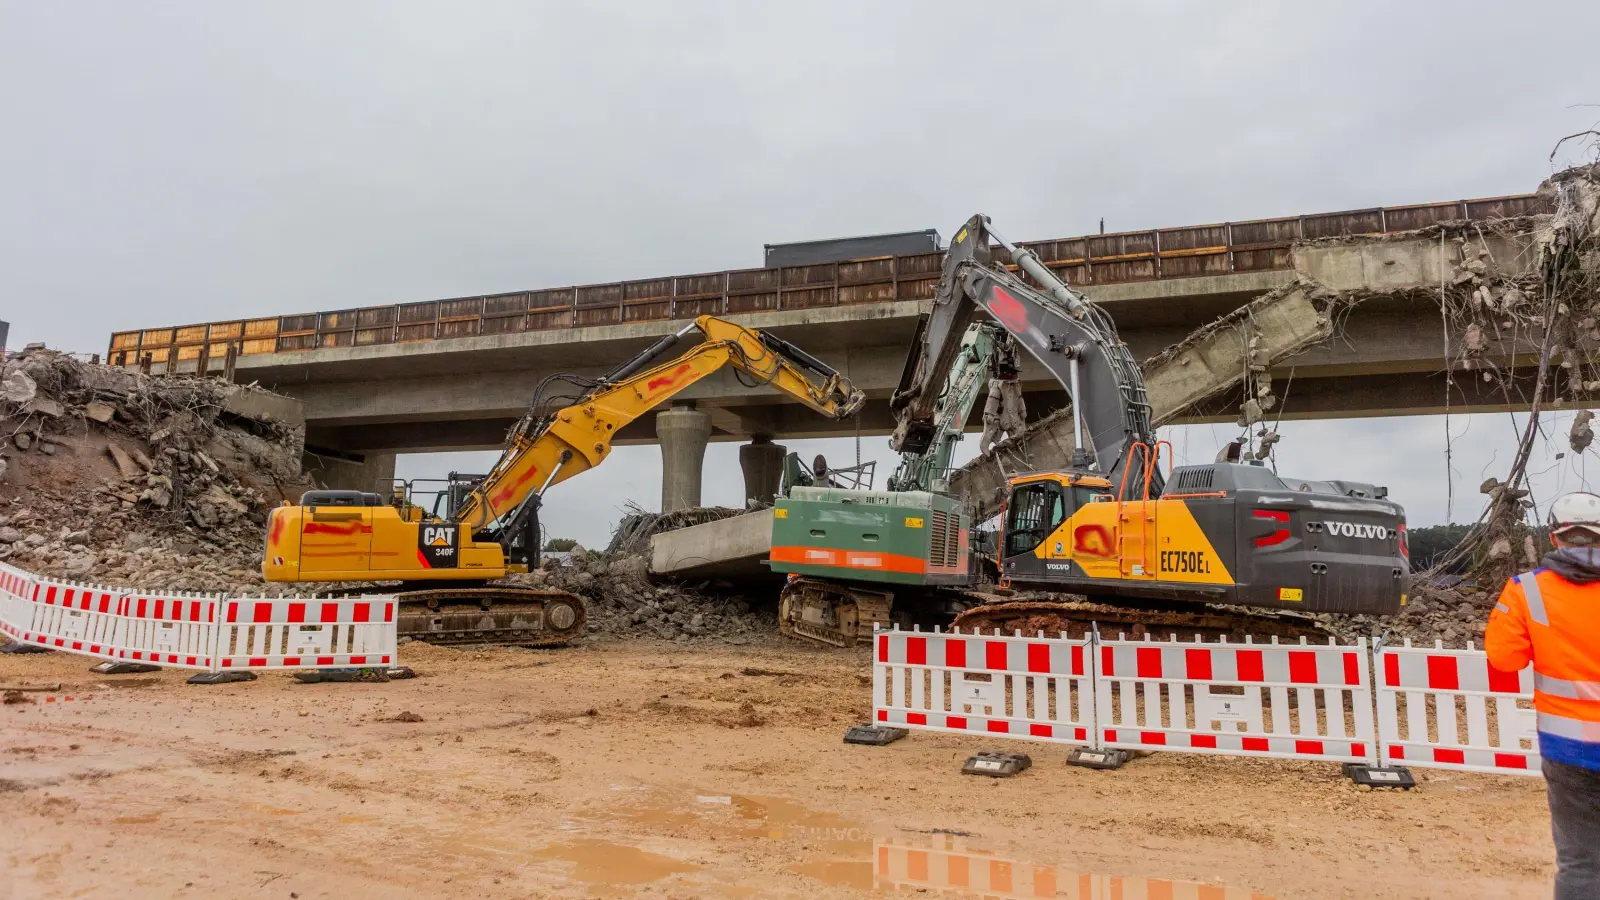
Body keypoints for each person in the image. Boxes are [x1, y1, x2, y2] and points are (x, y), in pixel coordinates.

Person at [1487, 491, 1600, 899]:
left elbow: (1504, 659)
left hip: (1568, 747)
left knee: (1580, 861)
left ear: (1555, 538)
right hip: (1568, 746)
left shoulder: (1526, 592)